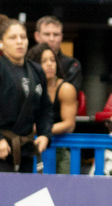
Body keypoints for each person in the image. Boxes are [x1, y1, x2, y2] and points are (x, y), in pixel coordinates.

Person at [0, 18, 52, 173]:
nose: (19, 42)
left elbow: (45, 108)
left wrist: (45, 134)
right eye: (12, 37)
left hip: (25, 150)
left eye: (23, 37)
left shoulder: (36, 71)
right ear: (1, 43)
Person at [25, 43, 77, 172]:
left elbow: (69, 124)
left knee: (63, 190)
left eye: (52, 60)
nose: (49, 64)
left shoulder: (66, 88)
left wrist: (42, 131)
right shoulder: (27, 85)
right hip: (29, 147)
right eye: (43, 61)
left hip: (60, 147)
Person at [34, 15, 83, 91]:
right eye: (47, 34)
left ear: (61, 37)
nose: (51, 39)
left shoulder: (72, 64)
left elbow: (69, 95)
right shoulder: (27, 62)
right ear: (37, 36)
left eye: (56, 34)